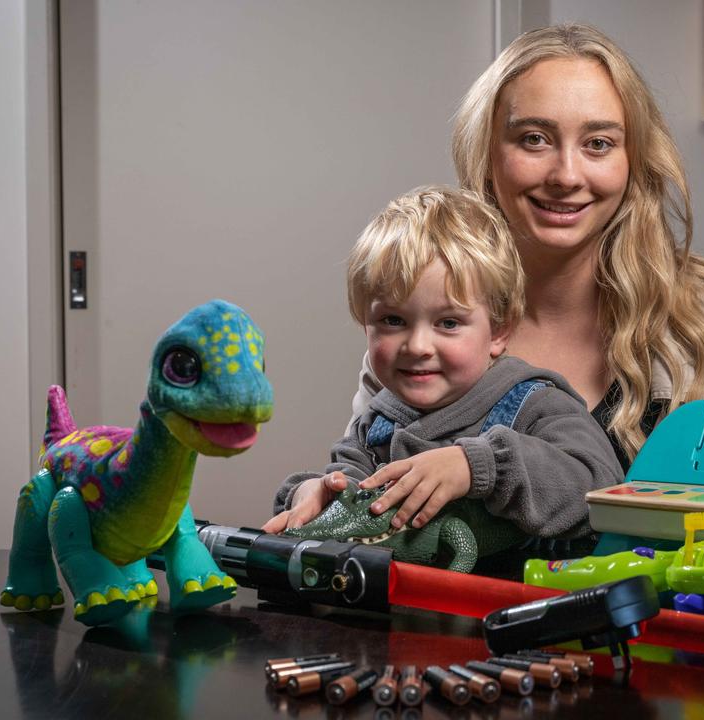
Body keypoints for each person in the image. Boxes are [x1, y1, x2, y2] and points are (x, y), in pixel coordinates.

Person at [271, 23, 704, 538]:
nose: (566, 175)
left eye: (598, 143)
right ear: (488, 153)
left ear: (633, 160)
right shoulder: (420, 329)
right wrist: (319, 492)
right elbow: (368, 490)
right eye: (534, 138)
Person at [263, 186, 624, 553]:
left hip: (517, 603)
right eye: (392, 320)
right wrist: (315, 496)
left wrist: (478, 466)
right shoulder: (375, 425)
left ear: (498, 330)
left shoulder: (536, 403)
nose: (418, 347)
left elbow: (600, 491)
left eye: (448, 323)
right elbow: (354, 495)